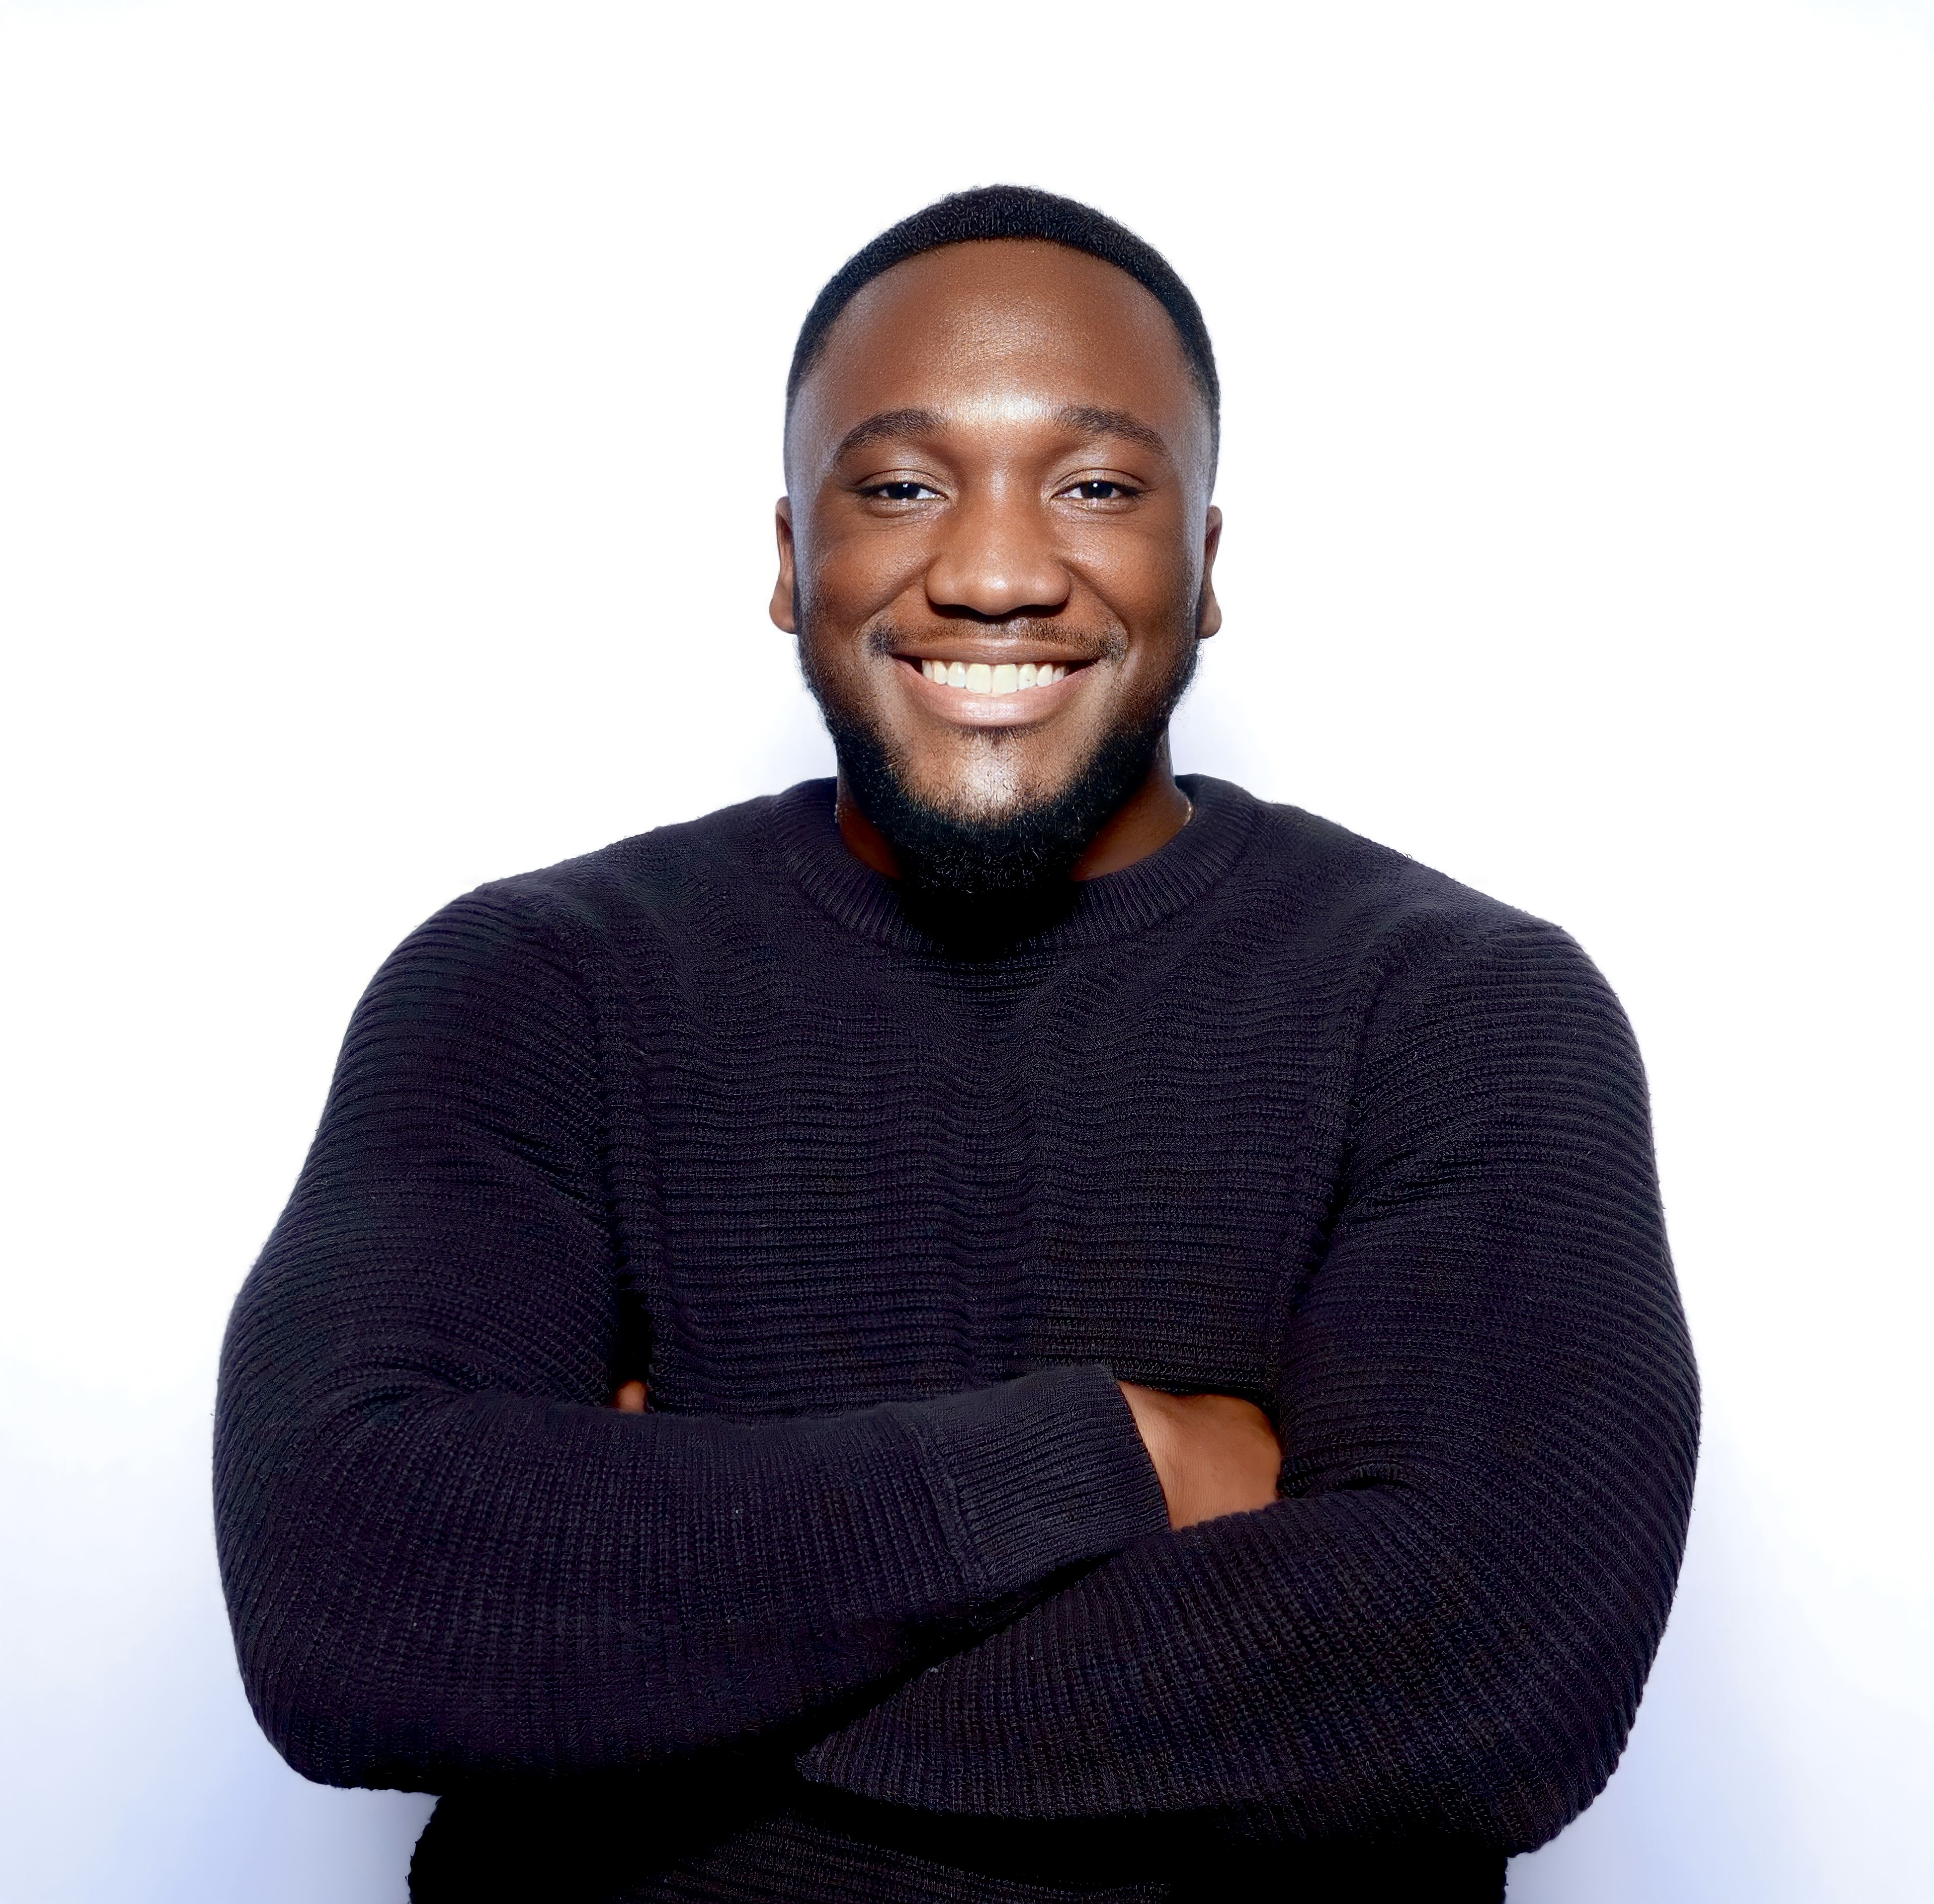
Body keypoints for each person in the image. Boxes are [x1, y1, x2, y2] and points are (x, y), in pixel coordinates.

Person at [215, 187, 1699, 1903]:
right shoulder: (533, 985)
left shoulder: (1461, 1011)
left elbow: (1492, 1678)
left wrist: (656, 1615)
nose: (996, 572)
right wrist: (1116, 1465)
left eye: (1098, 487)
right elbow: (353, 1592)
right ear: (789, 560)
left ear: (1206, 565)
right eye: (904, 485)